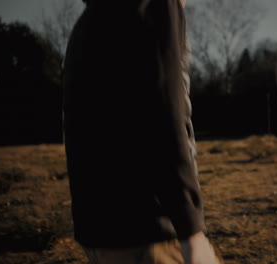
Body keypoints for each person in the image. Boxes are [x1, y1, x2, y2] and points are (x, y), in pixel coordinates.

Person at [62, 0, 222, 263]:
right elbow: (163, 113)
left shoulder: (93, 17)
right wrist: (191, 232)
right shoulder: (155, 4)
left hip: (101, 233)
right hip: (150, 236)